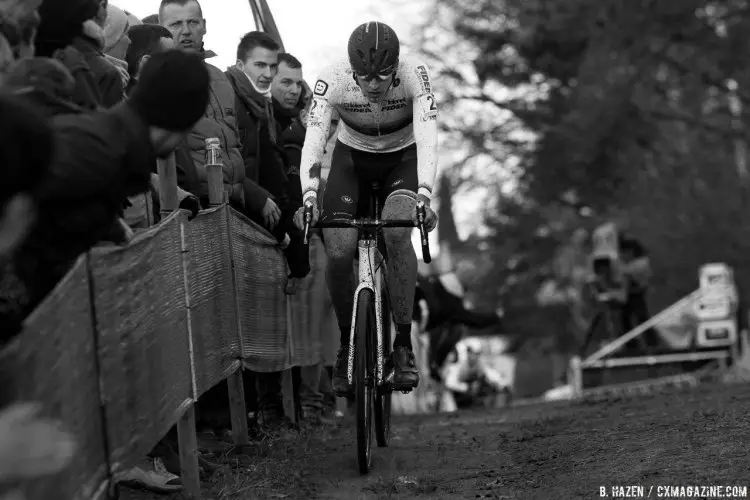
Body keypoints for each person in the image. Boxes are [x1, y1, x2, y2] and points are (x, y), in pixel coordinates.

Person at [293, 21, 439, 395]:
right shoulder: (333, 79)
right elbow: (313, 141)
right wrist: (309, 196)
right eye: (364, 77)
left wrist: (423, 194)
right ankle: (347, 345)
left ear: (397, 66)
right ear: (350, 69)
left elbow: (426, 135)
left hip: (402, 159)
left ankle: (402, 345)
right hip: (351, 161)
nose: (373, 85)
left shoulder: (414, 74)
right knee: (339, 250)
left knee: (396, 229)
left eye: (382, 76)